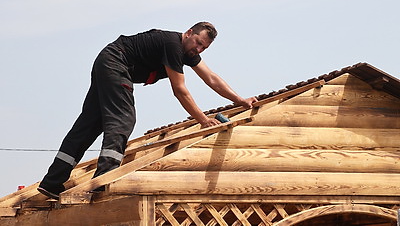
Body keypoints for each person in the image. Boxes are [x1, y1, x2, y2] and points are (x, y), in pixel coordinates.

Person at [37, 22, 258, 200]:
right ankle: (104, 177)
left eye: (203, 48)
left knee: (89, 124)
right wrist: (202, 120)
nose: (198, 50)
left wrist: (241, 101)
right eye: (198, 43)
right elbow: (180, 90)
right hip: (115, 63)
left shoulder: (187, 52)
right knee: (123, 119)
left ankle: (52, 182)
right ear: (189, 33)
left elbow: (211, 78)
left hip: (107, 62)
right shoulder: (173, 45)